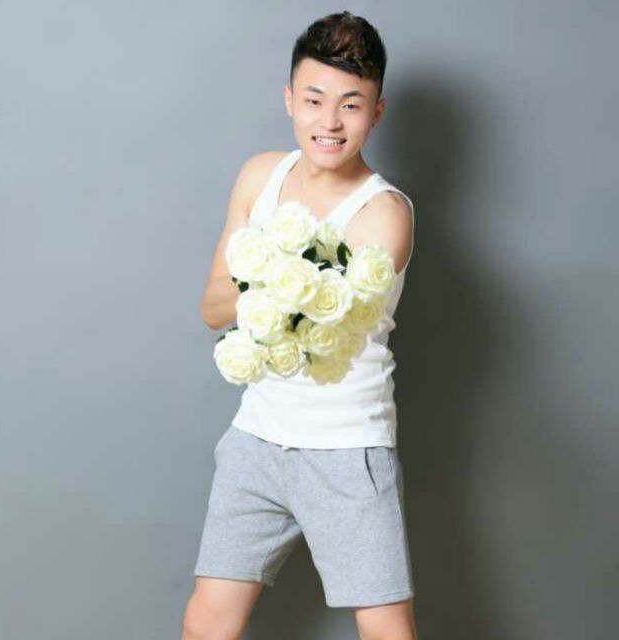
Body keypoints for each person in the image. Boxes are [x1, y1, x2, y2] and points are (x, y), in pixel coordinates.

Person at [183, 11, 419, 640]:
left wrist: (266, 277)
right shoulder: (261, 176)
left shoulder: (384, 213)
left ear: (377, 111)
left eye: (351, 104)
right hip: (256, 438)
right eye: (314, 100)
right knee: (206, 620)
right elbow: (212, 307)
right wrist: (272, 280)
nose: (330, 122)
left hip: (346, 446)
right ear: (290, 99)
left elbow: (320, 325)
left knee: (386, 628)